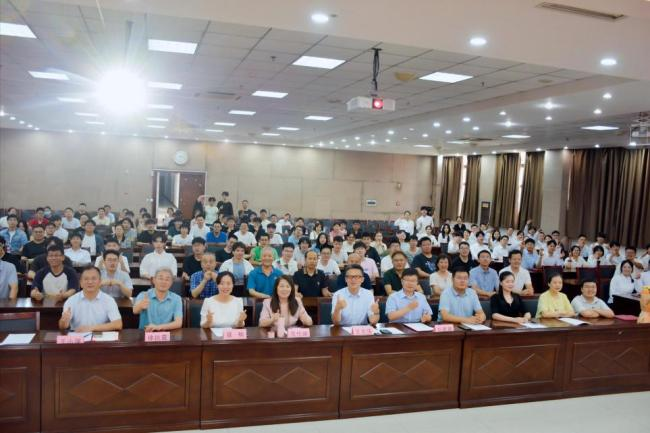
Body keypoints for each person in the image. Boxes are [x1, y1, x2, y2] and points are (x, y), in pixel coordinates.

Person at [58, 265, 122, 332]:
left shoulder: (109, 300)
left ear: (100, 282)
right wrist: (64, 322)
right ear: (81, 283)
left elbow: (118, 324)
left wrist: (92, 328)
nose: (90, 282)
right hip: (78, 336)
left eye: (94, 279)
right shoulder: (71, 300)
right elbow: (62, 326)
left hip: (100, 336)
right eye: (86, 279)